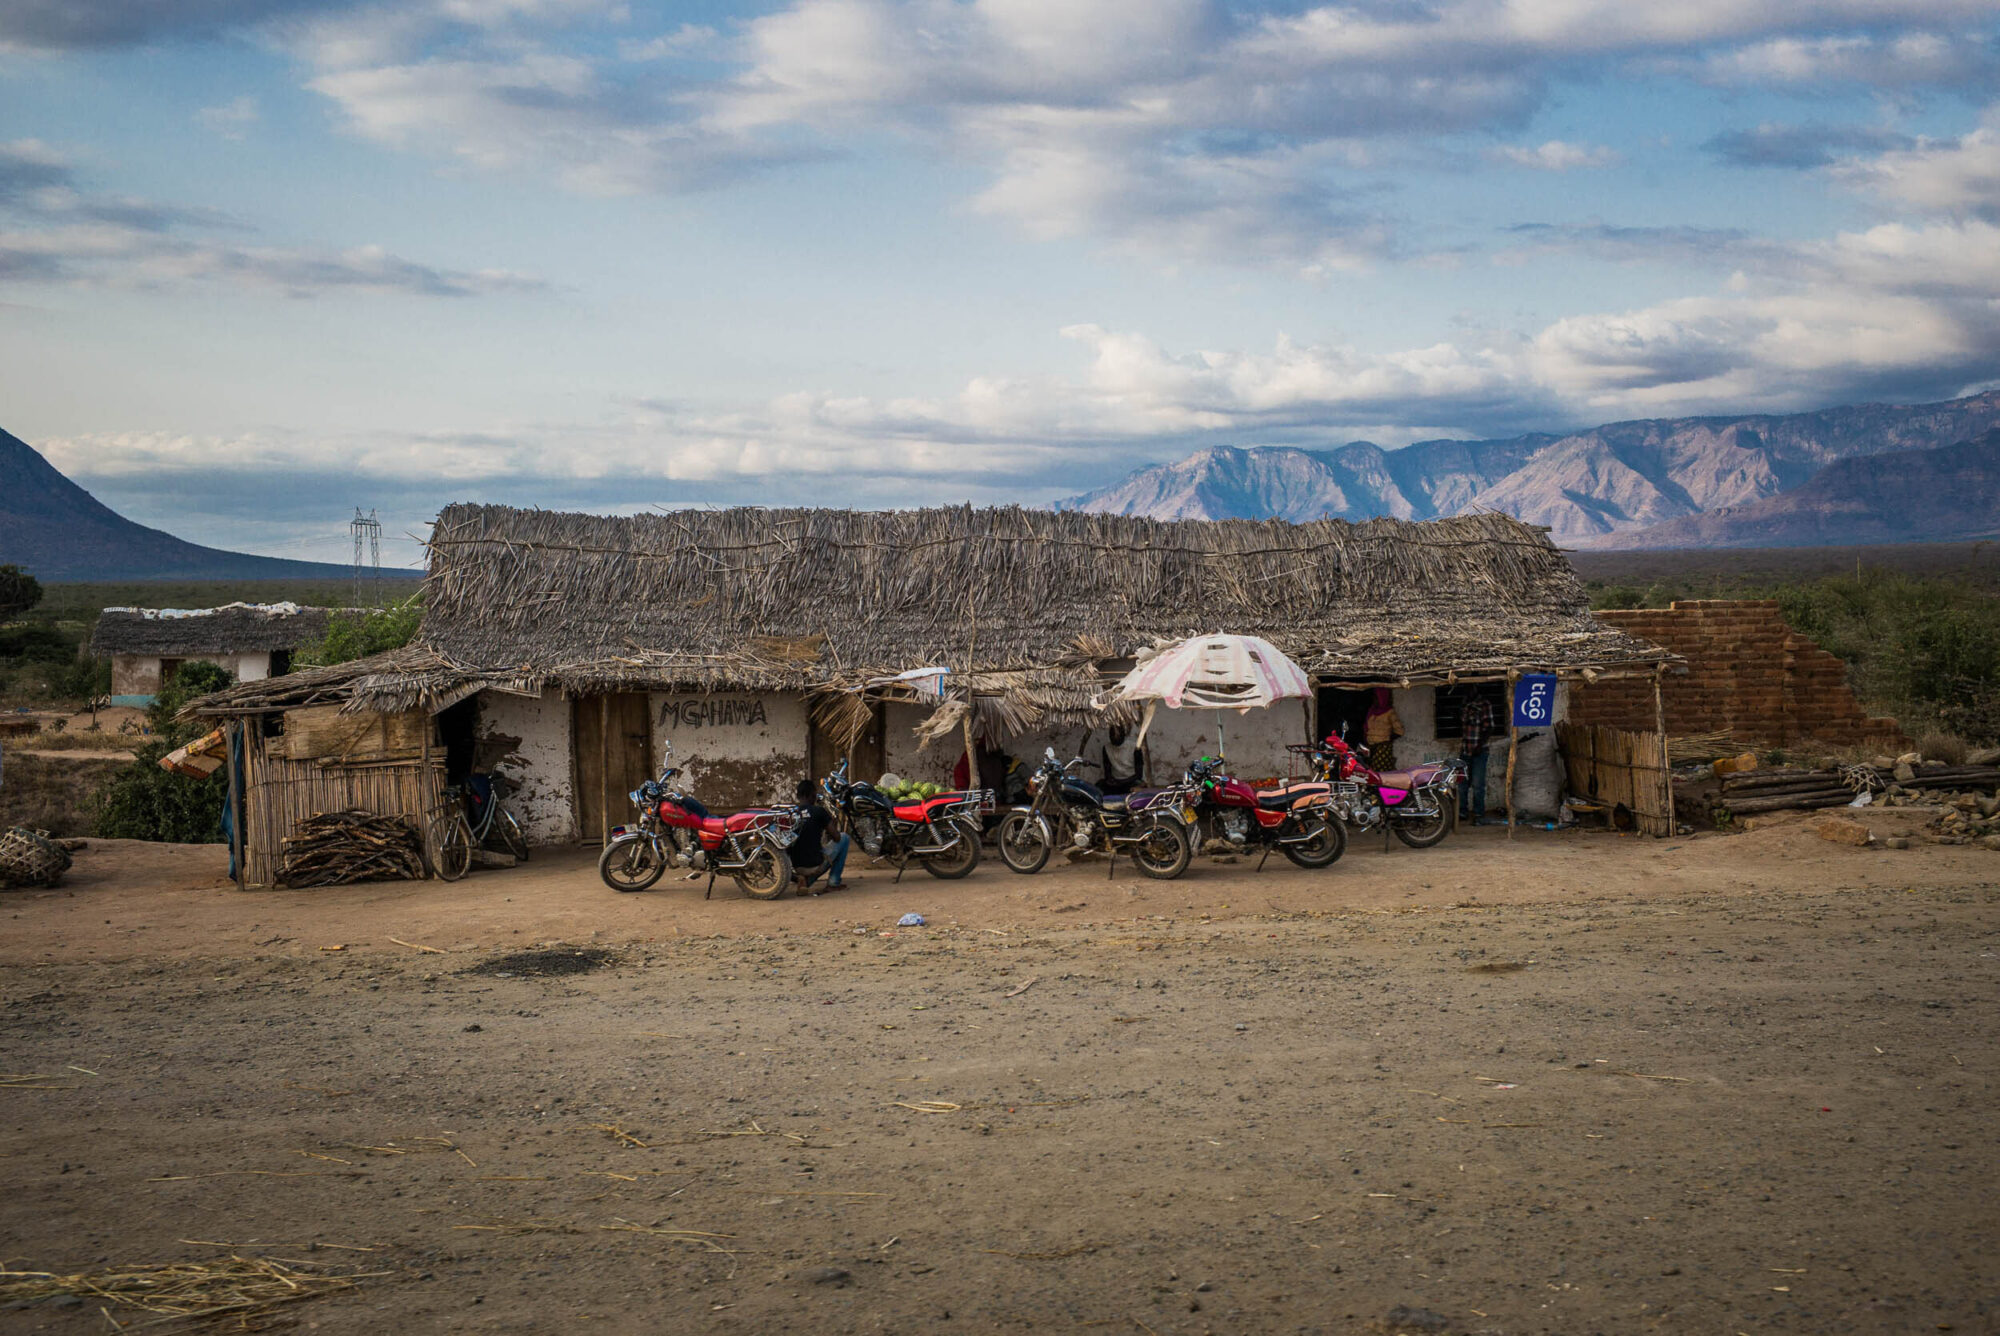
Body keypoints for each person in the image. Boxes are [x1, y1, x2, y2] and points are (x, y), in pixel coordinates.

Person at [789, 779, 849, 895]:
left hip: (796, 866)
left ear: (798, 796)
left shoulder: (791, 814)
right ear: (812, 795)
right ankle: (833, 882)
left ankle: (803, 880)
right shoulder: (819, 811)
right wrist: (831, 822)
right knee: (844, 837)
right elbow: (836, 838)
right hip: (815, 865)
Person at [1459, 690, 1498, 825]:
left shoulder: (1484, 704)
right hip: (1465, 750)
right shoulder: (1465, 703)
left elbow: (1490, 728)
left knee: (1477, 785)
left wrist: (1479, 745)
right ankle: (1462, 812)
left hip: (1479, 752)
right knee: (1462, 784)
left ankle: (1478, 814)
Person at [1099, 722, 1145, 795]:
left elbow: (1139, 775)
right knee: (1099, 787)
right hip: (1116, 782)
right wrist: (1110, 779)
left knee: (1137, 788)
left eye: (1118, 736)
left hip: (1131, 780)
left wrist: (1121, 782)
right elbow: (1107, 770)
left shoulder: (1134, 747)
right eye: (1112, 735)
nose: (1115, 738)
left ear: (1124, 734)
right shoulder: (1106, 748)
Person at [1363, 688, 1403, 771]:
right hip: (1370, 745)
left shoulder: (1389, 712)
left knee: (1380, 771)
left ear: (1382, 698)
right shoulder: (1372, 711)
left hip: (1382, 748)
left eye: (1377, 698)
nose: (1375, 700)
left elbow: (1400, 731)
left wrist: (1386, 739)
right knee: (1369, 770)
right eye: (1374, 697)